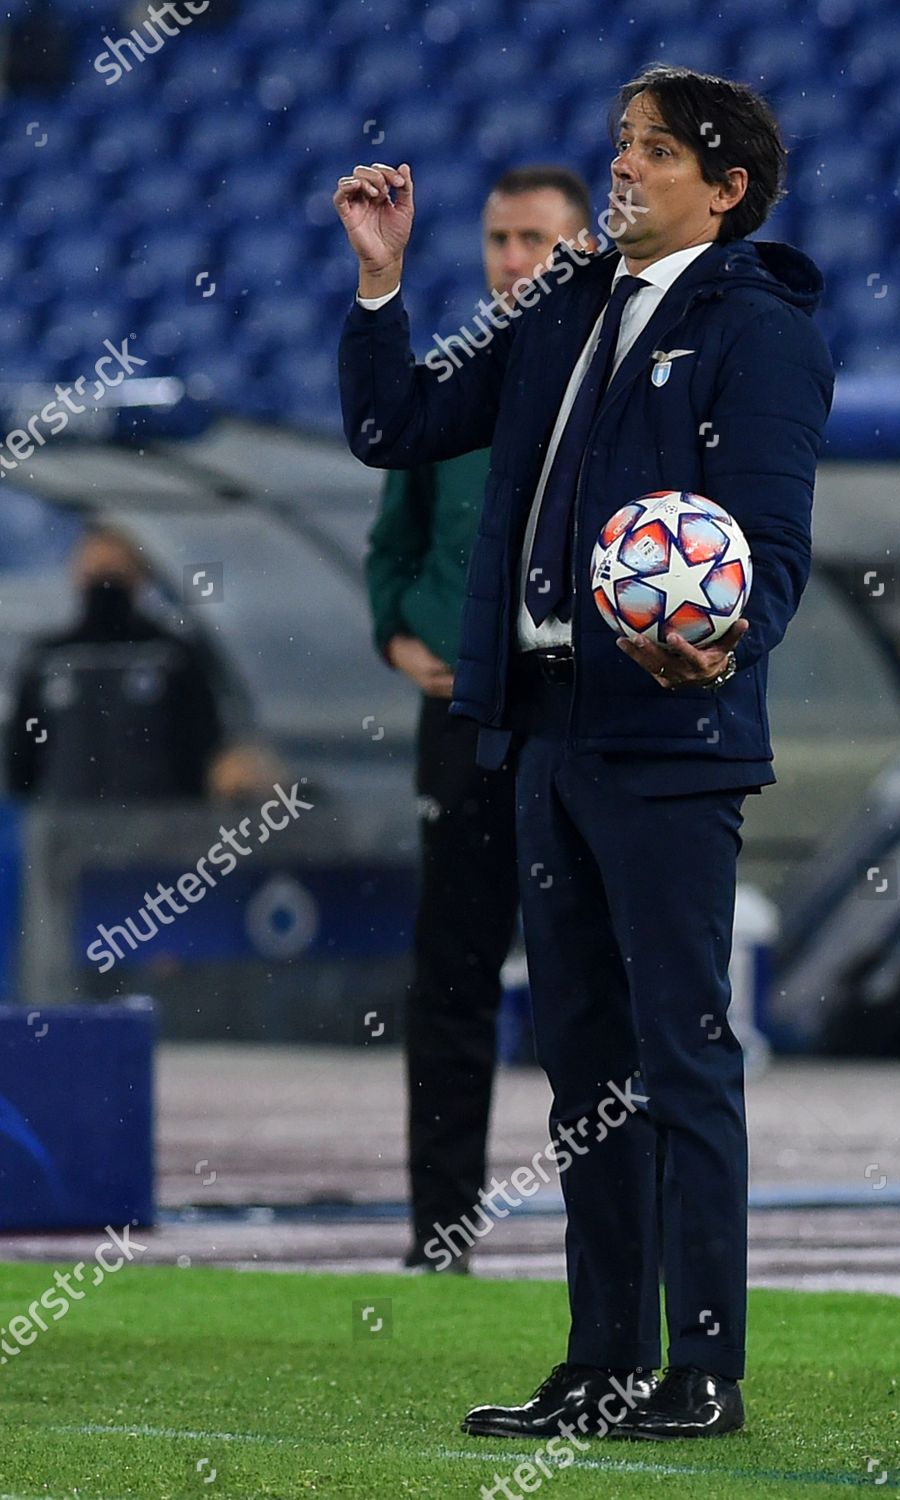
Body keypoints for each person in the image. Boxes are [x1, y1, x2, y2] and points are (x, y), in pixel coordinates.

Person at [336, 64, 834, 1441]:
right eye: (618, 146)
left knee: (682, 1054)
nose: (622, 172)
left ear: (726, 191)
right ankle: (605, 1361)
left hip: (673, 734)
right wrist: (383, 285)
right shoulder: (560, 302)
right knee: (584, 1069)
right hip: (542, 734)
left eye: (655, 154)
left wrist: (726, 642)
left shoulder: (761, 327)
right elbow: (399, 427)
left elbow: (770, 546)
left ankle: (706, 1371)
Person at [366, 165, 595, 1275]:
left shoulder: (607, 375)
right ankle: (440, 1230)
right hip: (458, 720)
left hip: (570, 713)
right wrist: (396, 637)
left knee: (586, 976)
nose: (514, 259)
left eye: (535, 240)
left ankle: (610, 1233)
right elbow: (392, 541)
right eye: (499, 237)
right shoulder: (452, 379)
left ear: (582, 243)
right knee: (450, 971)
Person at [6, 528, 223, 801]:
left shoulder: (171, 656)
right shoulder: (48, 658)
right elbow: (23, 753)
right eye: (95, 564)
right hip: (65, 825)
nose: (104, 570)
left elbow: (203, 743)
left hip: (158, 825)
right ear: (76, 571)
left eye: (115, 565)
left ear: (142, 571)